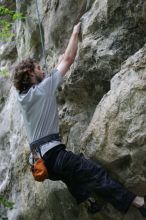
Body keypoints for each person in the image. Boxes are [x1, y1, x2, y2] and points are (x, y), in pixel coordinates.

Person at [13, 22, 146, 216]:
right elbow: (69, 58)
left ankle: (87, 199)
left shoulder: (22, 98)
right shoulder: (43, 89)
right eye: (38, 68)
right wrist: (75, 32)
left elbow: (51, 74)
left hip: (43, 164)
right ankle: (140, 203)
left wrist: (51, 72)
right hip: (55, 156)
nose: (42, 70)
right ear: (30, 73)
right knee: (93, 172)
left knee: (73, 175)